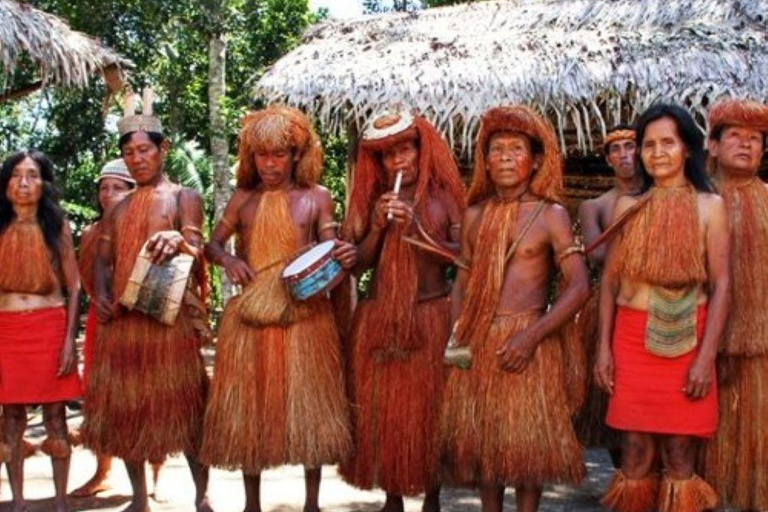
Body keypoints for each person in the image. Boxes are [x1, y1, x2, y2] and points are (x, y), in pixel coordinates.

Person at [199, 105, 355, 512]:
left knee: (310, 411)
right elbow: (211, 245)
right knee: (250, 410)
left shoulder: (317, 197)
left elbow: (329, 244)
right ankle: (252, 504)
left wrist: (334, 251)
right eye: (261, 155)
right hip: (250, 315)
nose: (270, 164)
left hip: (305, 315)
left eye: (279, 154)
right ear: (251, 157)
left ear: (296, 155)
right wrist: (229, 260)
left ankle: (312, 504)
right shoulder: (243, 199)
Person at [439, 105, 589, 512]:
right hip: (480, 340)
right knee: (489, 450)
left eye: (516, 148)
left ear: (535, 160)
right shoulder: (474, 215)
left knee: (528, 453)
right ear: (485, 161)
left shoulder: (551, 214)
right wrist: (459, 338)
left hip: (530, 342)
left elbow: (579, 285)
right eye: (497, 149)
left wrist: (533, 335)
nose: (505, 156)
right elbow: (463, 285)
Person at [81, 91, 212, 512]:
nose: (137, 159)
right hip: (125, 325)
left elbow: (196, 246)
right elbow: (102, 262)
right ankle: (139, 498)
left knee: (188, 409)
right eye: (129, 152)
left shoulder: (182, 197)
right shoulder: (119, 211)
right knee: (128, 413)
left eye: (144, 150)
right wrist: (100, 295)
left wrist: (178, 239)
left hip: (169, 324)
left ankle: (202, 495)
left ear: (162, 150)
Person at [595, 104, 729, 512]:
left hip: (689, 338)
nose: (656, 153)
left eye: (667, 142)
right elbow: (610, 284)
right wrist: (603, 349)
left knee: (679, 453)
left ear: (687, 148)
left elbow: (722, 285)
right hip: (631, 339)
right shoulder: (627, 207)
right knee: (634, 452)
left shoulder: (710, 206)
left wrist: (706, 357)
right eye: (648, 145)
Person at [339, 109, 465, 512]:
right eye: (387, 154)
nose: (398, 160)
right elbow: (356, 264)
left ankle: (432, 498)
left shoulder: (446, 200)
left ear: (421, 149)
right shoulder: (370, 202)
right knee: (387, 414)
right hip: (379, 321)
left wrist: (416, 229)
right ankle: (392, 499)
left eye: (405, 149)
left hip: (431, 317)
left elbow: (464, 261)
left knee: (431, 415)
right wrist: (377, 227)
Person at [71, 159, 166, 500]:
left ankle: (157, 479)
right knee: (105, 400)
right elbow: (85, 279)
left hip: (144, 321)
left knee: (152, 398)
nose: (108, 194)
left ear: (133, 191)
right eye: (103, 187)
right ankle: (102, 471)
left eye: (118, 187)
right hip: (105, 322)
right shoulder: (90, 233)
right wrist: (102, 301)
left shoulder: (149, 227)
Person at [0, 150, 82, 512]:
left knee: (55, 415)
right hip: (6, 330)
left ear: (44, 183)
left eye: (32, 175)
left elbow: (74, 286)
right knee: (12, 418)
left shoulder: (57, 225)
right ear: (5, 184)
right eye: (16, 175)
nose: (23, 183)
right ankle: (17, 501)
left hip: (49, 326)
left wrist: (68, 341)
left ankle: (61, 500)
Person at [702, 99, 768, 512]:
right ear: (712, 145)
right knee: (704, 449)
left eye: (755, 139)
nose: (746, 145)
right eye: (735, 136)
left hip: (763, 346)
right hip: (703, 345)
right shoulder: (696, 201)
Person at [574, 125, 640, 466]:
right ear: (608, 159)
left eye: (631, 146)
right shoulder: (594, 206)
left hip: (651, 304)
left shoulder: (661, 197)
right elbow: (596, 256)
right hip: (607, 305)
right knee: (610, 397)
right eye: (616, 149)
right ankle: (624, 476)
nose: (624, 154)